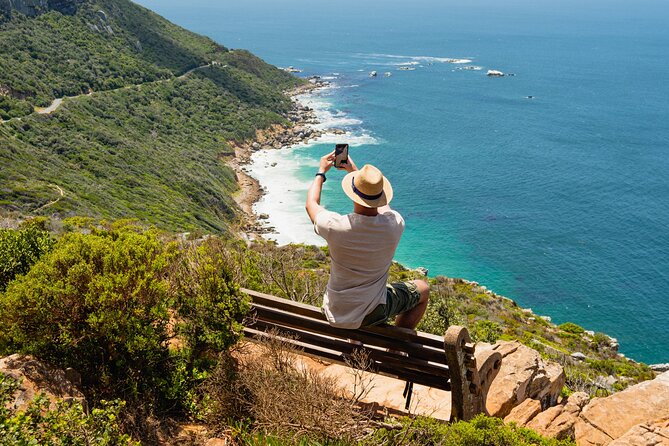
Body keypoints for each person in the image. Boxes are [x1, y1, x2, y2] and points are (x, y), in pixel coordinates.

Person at [305, 149, 429, 331]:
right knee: (423, 289)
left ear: (351, 192)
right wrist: (356, 173)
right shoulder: (395, 225)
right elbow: (385, 208)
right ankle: (397, 346)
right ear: (381, 195)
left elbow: (311, 204)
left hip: (335, 310)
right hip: (371, 312)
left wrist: (321, 172)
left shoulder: (335, 226)